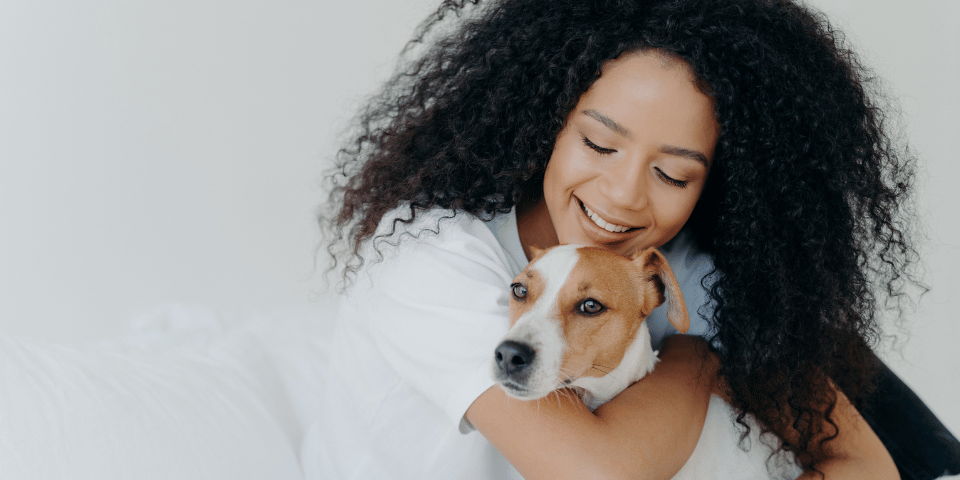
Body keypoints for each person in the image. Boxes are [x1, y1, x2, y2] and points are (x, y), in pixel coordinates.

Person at [312, 0, 921, 478]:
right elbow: (598, 474)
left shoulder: (692, 275)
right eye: (600, 145)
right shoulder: (427, 256)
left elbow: (864, 463)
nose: (624, 195)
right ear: (546, 116)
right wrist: (699, 358)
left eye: (672, 173)